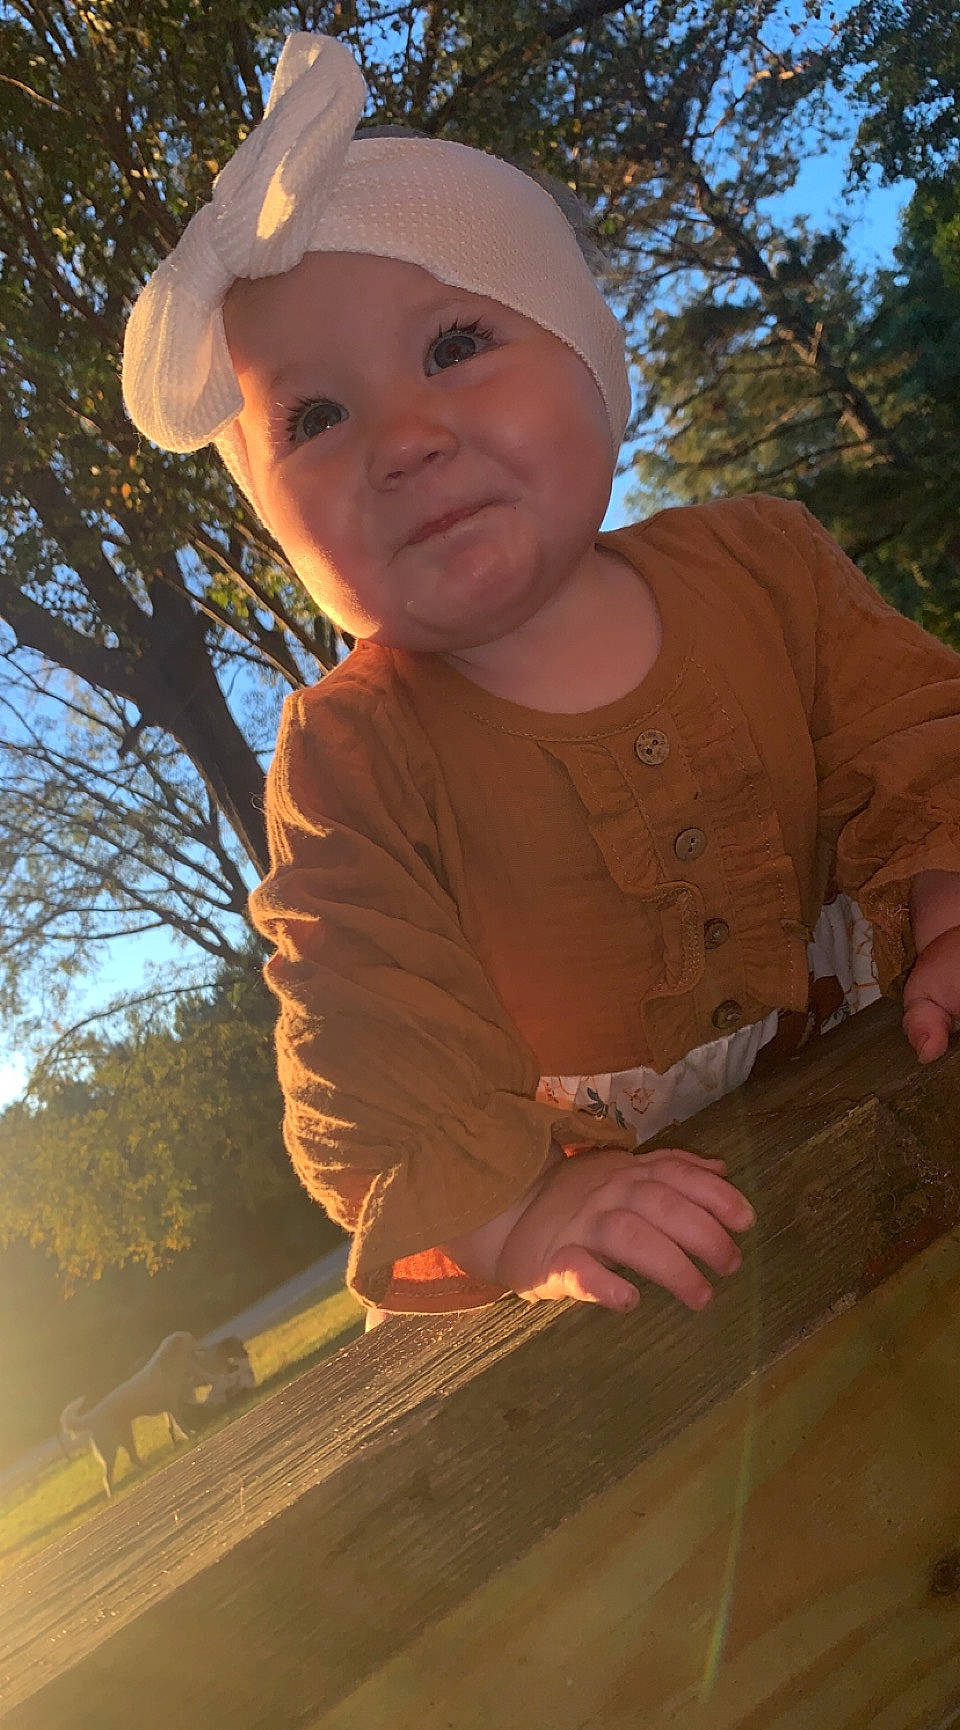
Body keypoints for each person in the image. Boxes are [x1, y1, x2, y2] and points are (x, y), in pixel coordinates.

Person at [121, 33, 960, 1329]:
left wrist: (941, 895)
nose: (404, 438)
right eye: (317, 420)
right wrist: (521, 1212)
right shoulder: (351, 756)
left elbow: (913, 737)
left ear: (589, 359)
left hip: (863, 1053)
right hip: (596, 1199)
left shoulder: (763, 563)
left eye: (456, 341)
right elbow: (362, 1014)